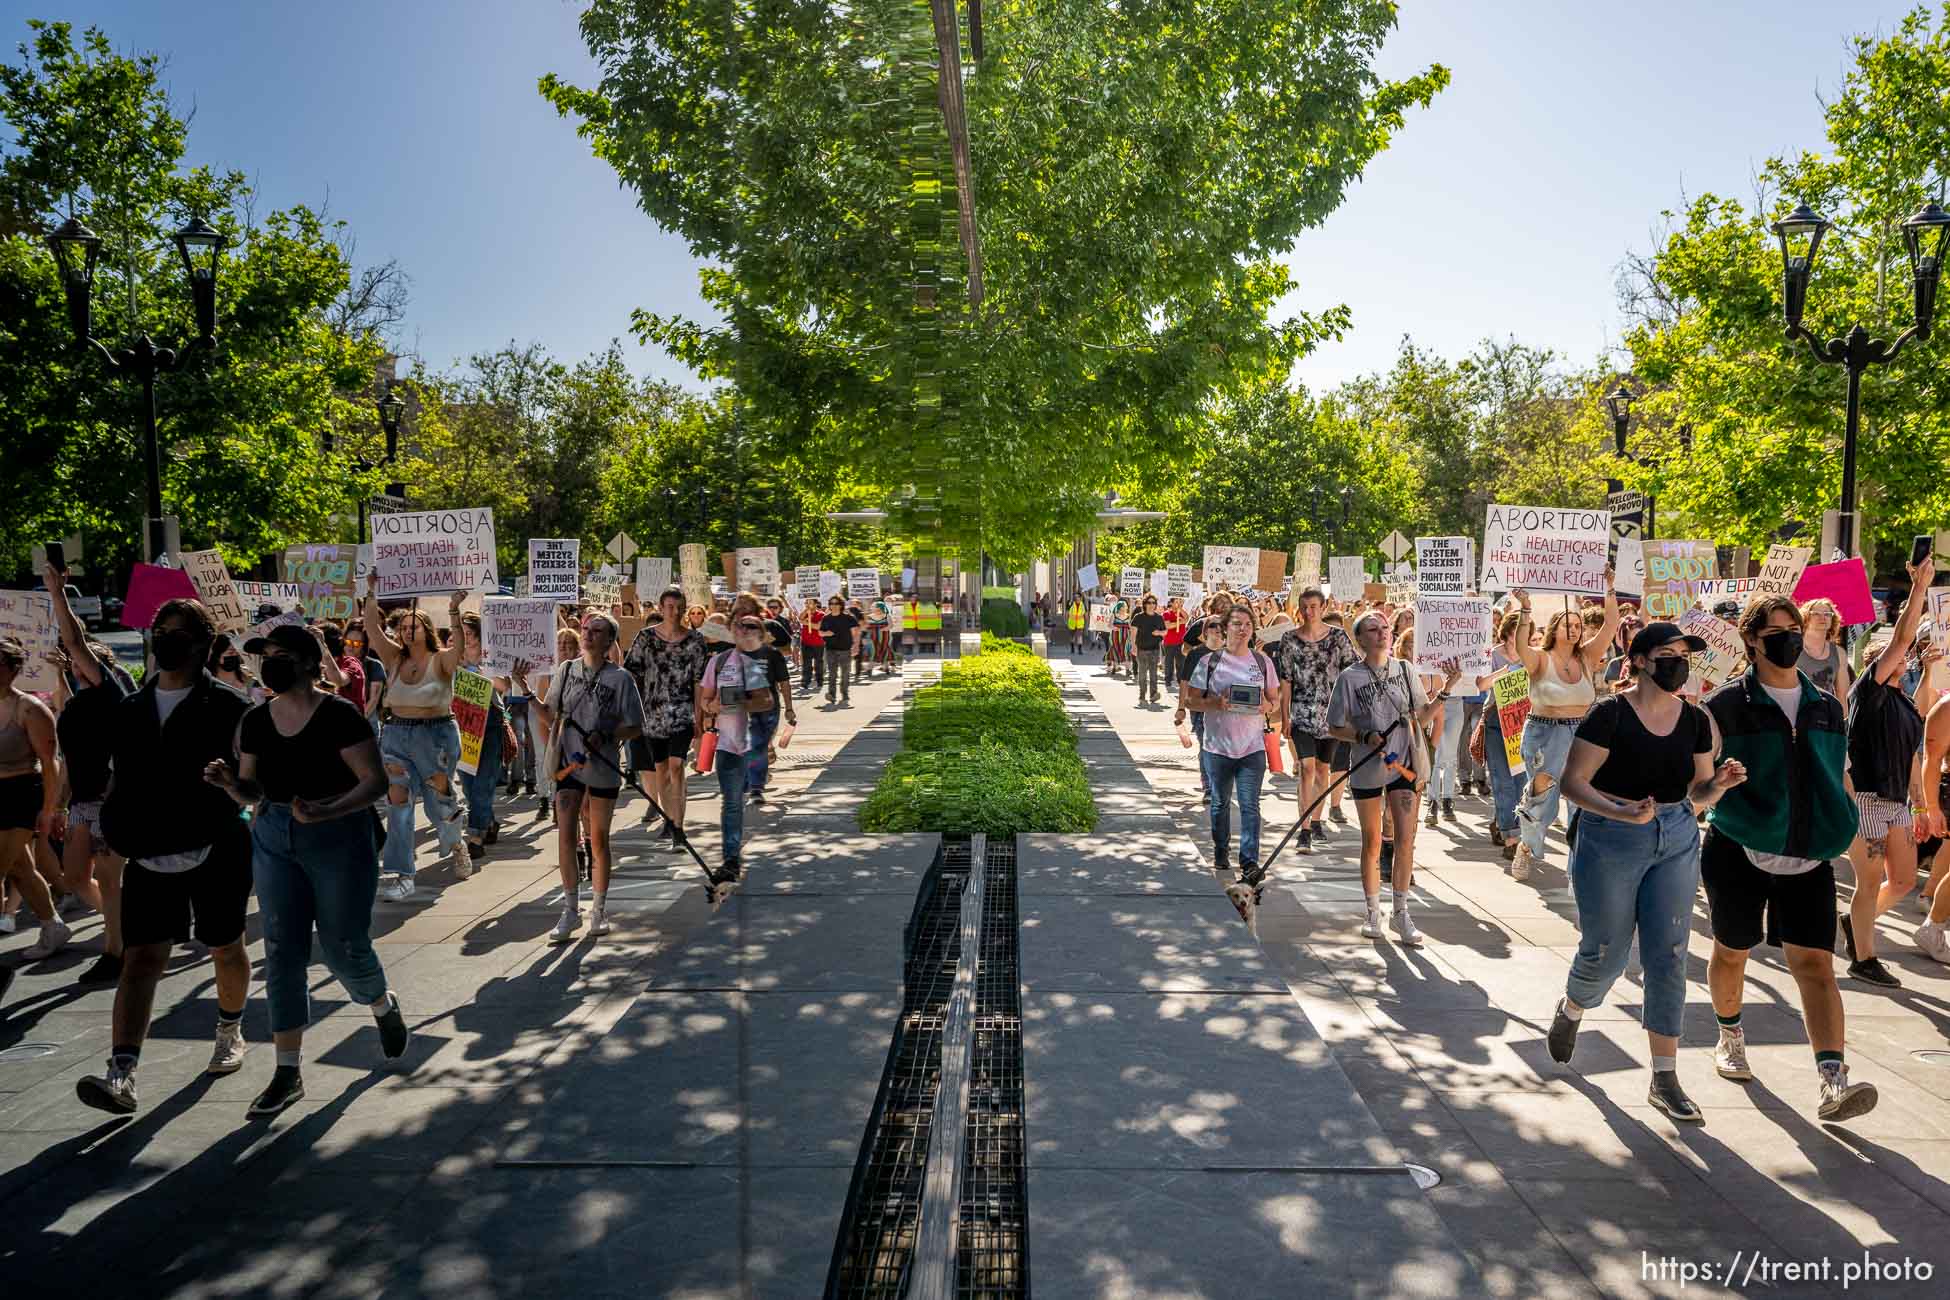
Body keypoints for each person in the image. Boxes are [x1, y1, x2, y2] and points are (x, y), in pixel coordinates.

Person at [1544, 622, 1746, 1122]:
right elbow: (1572, 783)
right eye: (1668, 654)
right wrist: (1620, 812)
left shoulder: (1695, 720)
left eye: (1684, 655)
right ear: (1638, 660)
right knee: (1607, 952)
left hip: (1675, 835)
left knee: (1670, 954)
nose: (1679, 662)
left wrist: (1718, 785)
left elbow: (1697, 796)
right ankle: (1573, 1007)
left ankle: (1664, 1076)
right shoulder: (1609, 714)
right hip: (1610, 836)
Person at [204, 624, 408, 1116]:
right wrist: (232, 785)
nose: (265, 664)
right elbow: (253, 792)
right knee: (282, 950)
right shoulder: (254, 721)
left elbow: (375, 781)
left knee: (343, 945)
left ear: (303, 661)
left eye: (275, 655)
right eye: (262, 657)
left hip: (340, 837)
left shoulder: (339, 715)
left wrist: (327, 810)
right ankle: (287, 1071)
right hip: (275, 837)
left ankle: (380, 1003)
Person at [1700, 594, 1876, 1121]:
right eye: (1777, 631)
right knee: (1733, 949)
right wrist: (1718, 785)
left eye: (1794, 629)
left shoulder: (1827, 706)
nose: (1790, 639)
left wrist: (1850, 826)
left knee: (1816, 964)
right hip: (1739, 846)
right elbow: (1698, 784)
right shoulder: (1725, 707)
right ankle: (1729, 1034)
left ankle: (1832, 1079)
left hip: (1809, 854)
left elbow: (1839, 775)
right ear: (1752, 641)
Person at [77, 599, 255, 1114]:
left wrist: (232, 784)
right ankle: (122, 1072)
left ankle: (229, 1027)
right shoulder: (130, 710)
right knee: (140, 960)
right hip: (149, 853)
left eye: (176, 632)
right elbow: (119, 776)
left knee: (224, 944)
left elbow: (254, 784)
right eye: (160, 631)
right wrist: (111, 826)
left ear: (201, 642)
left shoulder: (228, 706)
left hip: (214, 846)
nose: (165, 639)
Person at [1328, 609, 1459, 946]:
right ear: (1360, 639)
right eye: (1373, 629)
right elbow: (1334, 726)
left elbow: (1423, 715)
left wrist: (1446, 690)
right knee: (1372, 840)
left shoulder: (1405, 669)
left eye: (1385, 627)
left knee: (1405, 838)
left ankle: (1401, 912)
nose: (1382, 633)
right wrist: (1362, 736)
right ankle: (1373, 911)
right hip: (1369, 765)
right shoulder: (1349, 678)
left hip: (1404, 764)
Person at [1838, 556, 1934, 987]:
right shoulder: (1868, 692)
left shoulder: (1904, 703)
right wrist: (1918, 591)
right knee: (1870, 878)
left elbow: (1912, 751)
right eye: (1899, 653)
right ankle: (1864, 956)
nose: (1906, 656)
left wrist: (1921, 805)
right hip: (1868, 798)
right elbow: (1902, 637)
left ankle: (1854, 925)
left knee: (1903, 880)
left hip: (1897, 801)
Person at [43, 566, 132, 981]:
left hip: (112, 800)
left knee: (112, 882)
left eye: (81, 660)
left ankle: (117, 949)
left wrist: (58, 595)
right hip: (82, 802)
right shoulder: (76, 701)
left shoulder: (109, 692)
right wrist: (58, 804)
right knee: (76, 878)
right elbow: (68, 750)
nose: (75, 661)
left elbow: (76, 640)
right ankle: (126, 926)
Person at [539, 612, 644, 943]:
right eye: (586, 629)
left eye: (597, 631)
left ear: (610, 641)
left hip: (602, 768)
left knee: (598, 839)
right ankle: (570, 910)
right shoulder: (566, 670)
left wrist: (608, 733)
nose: (588, 635)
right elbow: (549, 713)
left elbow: (636, 727)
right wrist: (526, 692)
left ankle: (598, 909)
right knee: (565, 835)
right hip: (569, 767)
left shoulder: (621, 679)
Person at [361, 582, 471, 900]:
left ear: (426, 629)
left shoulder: (441, 660)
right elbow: (371, 626)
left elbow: (460, 645)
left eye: (415, 626)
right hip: (396, 735)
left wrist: (454, 610)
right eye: (404, 627)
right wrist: (370, 592)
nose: (408, 632)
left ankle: (456, 844)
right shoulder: (393, 658)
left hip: (434, 736)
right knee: (398, 804)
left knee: (440, 803)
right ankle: (402, 874)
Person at [1510, 576, 1620, 880]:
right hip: (1546, 733)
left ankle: (1578, 870)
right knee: (1542, 798)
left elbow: (1611, 624)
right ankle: (1527, 846)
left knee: (1581, 801)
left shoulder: (1587, 657)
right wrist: (1526, 609)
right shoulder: (1540, 659)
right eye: (1567, 624)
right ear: (1554, 628)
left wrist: (1609, 586)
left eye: (1578, 625)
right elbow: (1521, 645)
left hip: (1583, 734)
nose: (1574, 629)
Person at [1184, 606, 1282, 887]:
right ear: (1224, 628)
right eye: (1237, 624)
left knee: (1250, 805)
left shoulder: (1263, 663)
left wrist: (1268, 706)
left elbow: (1274, 703)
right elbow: (1191, 701)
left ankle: (1249, 861)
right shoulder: (1210, 663)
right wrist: (1216, 703)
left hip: (1252, 748)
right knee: (1220, 803)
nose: (1243, 629)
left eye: (1248, 624)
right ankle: (1220, 849)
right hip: (1217, 748)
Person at [1272, 589, 1358, 856]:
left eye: (1313, 606)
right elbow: (1286, 680)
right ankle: (1305, 828)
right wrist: (1285, 717)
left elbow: (1350, 673)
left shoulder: (1338, 637)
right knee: (1306, 768)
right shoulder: (1289, 639)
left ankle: (1318, 820)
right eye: (1304, 607)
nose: (1309, 611)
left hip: (1331, 715)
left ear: (1323, 607)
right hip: (1301, 712)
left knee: (1323, 770)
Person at [699, 616, 781, 887]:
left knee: (740, 796)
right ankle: (731, 858)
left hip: (751, 744)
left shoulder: (752, 665)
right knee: (732, 802)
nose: (743, 633)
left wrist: (741, 701)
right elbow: (705, 699)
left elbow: (767, 701)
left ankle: (756, 786)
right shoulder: (718, 662)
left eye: (749, 629)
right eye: (739, 629)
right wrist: (713, 707)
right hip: (727, 746)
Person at [623, 587, 708, 849]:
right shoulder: (645, 638)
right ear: (661, 608)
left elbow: (699, 681)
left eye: (679, 606)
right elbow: (631, 673)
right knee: (660, 769)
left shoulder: (695, 641)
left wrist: (700, 716)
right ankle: (669, 820)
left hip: (682, 713)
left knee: (676, 766)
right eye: (669, 606)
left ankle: (679, 828)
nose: (675, 611)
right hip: (653, 715)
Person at [0, 636, 68, 962]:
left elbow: (50, 763)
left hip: (20, 795)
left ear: (13, 670)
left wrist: (49, 810)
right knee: (20, 868)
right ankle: (52, 925)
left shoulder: (31, 709)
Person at [456, 612, 511, 862]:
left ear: (479, 635)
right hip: (462, 723)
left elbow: (505, 686)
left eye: (469, 634)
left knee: (483, 782)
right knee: (468, 785)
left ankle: (475, 837)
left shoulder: (492, 656)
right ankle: (487, 821)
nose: (465, 639)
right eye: (461, 634)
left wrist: (483, 673)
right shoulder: (453, 657)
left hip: (489, 721)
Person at [1479, 609, 1527, 857]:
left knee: (1521, 782)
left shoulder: (1533, 655)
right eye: (1519, 632)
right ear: (1508, 633)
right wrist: (1507, 671)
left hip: (1524, 723)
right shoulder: (1492, 654)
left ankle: (1504, 821)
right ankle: (1511, 837)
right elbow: (1481, 684)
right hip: (1498, 721)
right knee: (1502, 780)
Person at [1916, 690, 1950, 963]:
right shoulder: (1946, 707)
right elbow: (1931, 759)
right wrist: (1931, 808)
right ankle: (1934, 926)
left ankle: (1934, 926)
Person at [1797, 598, 1850, 700]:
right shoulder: (1793, 647)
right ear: (1805, 617)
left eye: (1827, 614)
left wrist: (1844, 716)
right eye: (1816, 614)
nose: (1823, 617)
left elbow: (1842, 696)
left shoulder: (1839, 653)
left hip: (1825, 712)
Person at [819, 596, 859, 706]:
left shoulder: (848, 617)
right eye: (831, 603)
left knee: (845, 674)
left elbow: (855, 632)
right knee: (832, 674)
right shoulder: (826, 618)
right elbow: (820, 633)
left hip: (845, 649)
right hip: (830, 650)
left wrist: (856, 646)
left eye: (836, 603)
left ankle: (845, 695)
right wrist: (827, 633)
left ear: (841, 605)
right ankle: (832, 695)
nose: (834, 605)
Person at [1131, 594, 1167, 705]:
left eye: (1153, 603)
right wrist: (1133, 647)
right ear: (1145, 604)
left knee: (1153, 674)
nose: (1151, 605)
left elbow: (1165, 632)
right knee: (1142, 674)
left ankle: (1153, 694)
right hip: (1142, 649)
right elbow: (1133, 633)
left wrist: (1159, 633)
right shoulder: (1138, 617)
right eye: (1149, 603)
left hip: (1155, 650)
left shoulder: (1159, 617)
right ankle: (1142, 696)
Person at [799, 598, 825, 693]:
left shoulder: (821, 614)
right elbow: (800, 618)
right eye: (806, 602)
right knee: (806, 664)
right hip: (806, 642)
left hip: (818, 643)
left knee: (818, 663)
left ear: (815, 604)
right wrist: (806, 611)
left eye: (809, 602)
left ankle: (819, 682)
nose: (807, 604)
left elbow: (818, 626)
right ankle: (805, 683)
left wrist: (806, 622)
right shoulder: (806, 612)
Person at [1162, 596, 1188, 690]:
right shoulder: (1166, 613)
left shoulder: (1181, 612)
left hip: (1181, 642)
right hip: (1169, 642)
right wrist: (1180, 623)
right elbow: (1168, 625)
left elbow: (1187, 618)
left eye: (1180, 601)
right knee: (1169, 662)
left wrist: (1180, 609)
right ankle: (1168, 680)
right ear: (1171, 603)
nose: (1178, 603)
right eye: (1176, 601)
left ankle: (1180, 680)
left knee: (1181, 663)